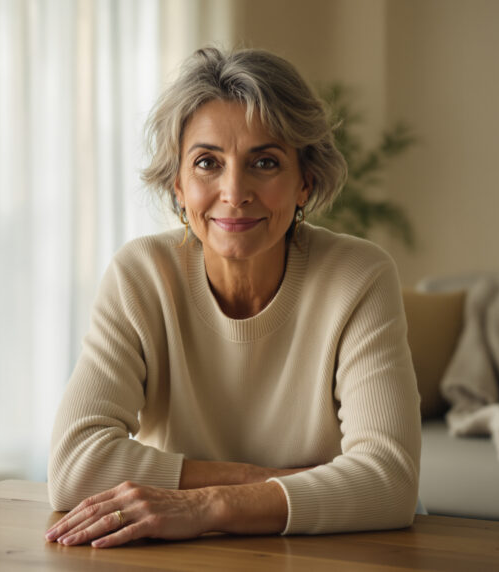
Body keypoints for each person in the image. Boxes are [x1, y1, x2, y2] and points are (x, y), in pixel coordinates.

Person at [45, 47, 421, 549]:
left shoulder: (359, 276)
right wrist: (268, 480)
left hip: (329, 553)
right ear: (177, 184)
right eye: (207, 163)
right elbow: (74, 467)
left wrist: (206, 505)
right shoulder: (141, 275)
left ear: (305, 181)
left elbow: (389, 483)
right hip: (174, 556)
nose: (235, 191)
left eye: (265, 162)